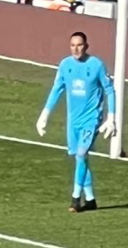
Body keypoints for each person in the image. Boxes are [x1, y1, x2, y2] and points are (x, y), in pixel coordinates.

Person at [35, 31, 115, 212]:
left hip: (91, 119)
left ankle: (75, 198)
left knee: (80, 155)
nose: (75, 49)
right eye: (72, 45)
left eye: (79, 45)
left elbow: (110, 90)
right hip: (74, 121)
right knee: (81, 158)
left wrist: (111, 117)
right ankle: (91, 199)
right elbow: (57, 89)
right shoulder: (65, 65)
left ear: (86, 46)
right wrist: (44, 115)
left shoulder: (96, 65)